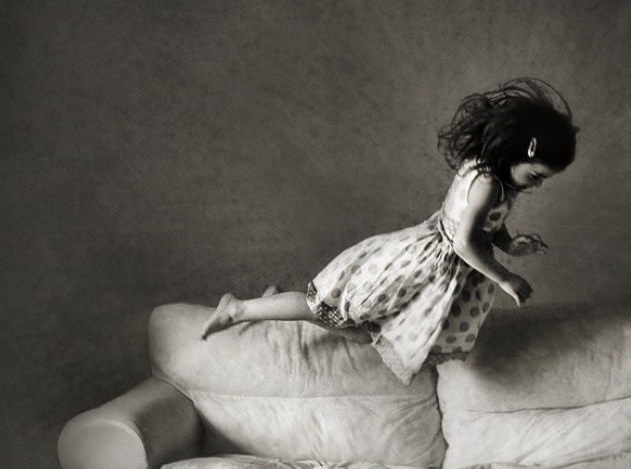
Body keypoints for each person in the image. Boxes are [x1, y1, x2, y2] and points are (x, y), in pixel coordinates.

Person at [201, 77, 579, 383]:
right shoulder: (487, 183)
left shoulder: (494, 175)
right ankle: (239, 309)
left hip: (436, 267)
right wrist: (506, 277)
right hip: (428, 264)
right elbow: (465, 242)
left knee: (363, 331)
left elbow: (483, 224)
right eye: (536, 175)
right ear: (520, 150)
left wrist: (509, 244)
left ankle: (270, 305)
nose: (537, 185)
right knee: (335, 312)